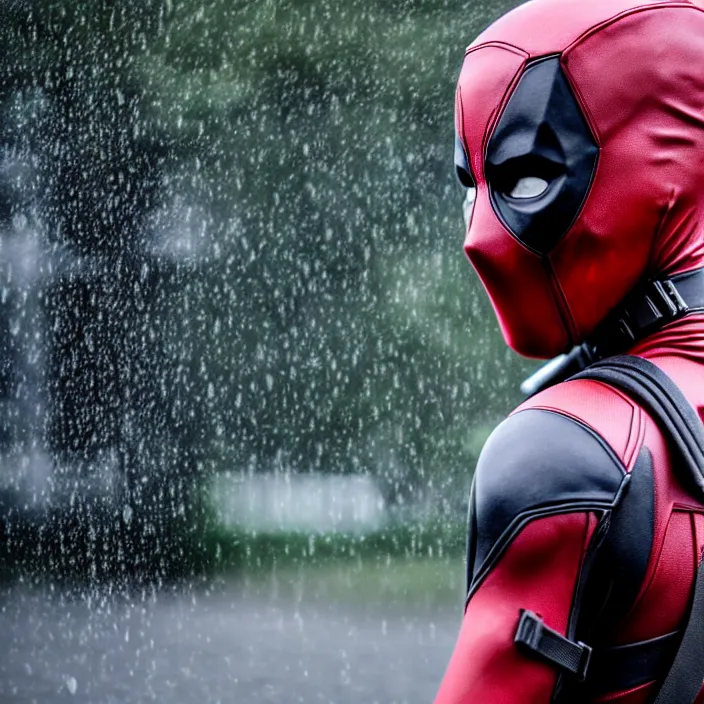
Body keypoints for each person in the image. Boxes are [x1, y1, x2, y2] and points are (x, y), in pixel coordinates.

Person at [435, 0, 704, 702]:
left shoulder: (570, 454)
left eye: (525, 177)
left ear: (669, 153)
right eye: (473, 187)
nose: (480, 239)